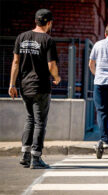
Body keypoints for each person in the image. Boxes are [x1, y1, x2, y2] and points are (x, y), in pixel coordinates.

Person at [8, 9, 61, 169]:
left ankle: (25, 155)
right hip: (41, 86)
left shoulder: (21, 37)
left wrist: (12, 84)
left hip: (24, 86)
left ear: (36, 21)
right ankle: (36, 158)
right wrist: (57, 77)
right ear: (49, 22)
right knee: (39, 122)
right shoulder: (48, 40)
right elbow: (51, 65)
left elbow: (15, 62)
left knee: (30, 119)